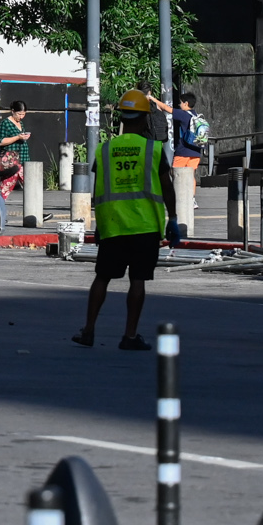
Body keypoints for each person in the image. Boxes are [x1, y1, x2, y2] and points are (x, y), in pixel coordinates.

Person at [75, 89, 174, 349]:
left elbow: (99, 190)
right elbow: (167, 186)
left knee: (102, 278)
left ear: (122, 117)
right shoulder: (153, 149)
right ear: (144, 118)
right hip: (144, 227)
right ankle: (129, 335)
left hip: (113, 226)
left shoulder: (105, 150)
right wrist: (173, 218)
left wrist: (99, 226)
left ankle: (89, 330)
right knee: (137, 280)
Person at [168, 90, 205, 244]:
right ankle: (192, 199)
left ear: (186, 104)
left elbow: (167, 108)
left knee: (175, 172)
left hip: (183, 151)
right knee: (191, 175)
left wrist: (152, 99)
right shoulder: (196, 116)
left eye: (181, 102)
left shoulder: (184, 115)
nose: (179, 104)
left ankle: (181, 198)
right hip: (196, 150)